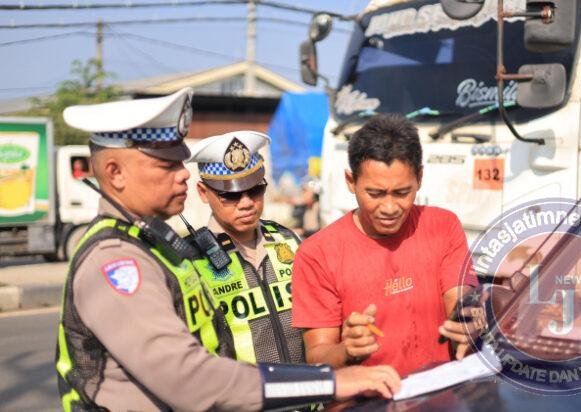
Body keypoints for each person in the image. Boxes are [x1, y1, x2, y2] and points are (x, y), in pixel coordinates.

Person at [56, 88, 400, 411]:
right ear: (115, 173)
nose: (183, 175)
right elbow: (188, 377)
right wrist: (327, 383)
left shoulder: (152, 246)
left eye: (255, 190)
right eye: (167, 164)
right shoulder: (116, 260)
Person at [291, 114, 482, 377]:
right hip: (366, 396)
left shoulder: (443, 226)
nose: (390, 208)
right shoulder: (317, 254)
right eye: (375, 193)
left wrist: (469, 323)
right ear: (351, 181)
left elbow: (460, 307)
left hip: (441, 391)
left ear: (420, 177)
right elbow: (317, 356)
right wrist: (346, 350)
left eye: (402, 193)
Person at [186, 130, 305, 364]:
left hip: (306, 385)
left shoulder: (288, 240)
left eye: (255, 190)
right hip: (240, 387)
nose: (247, 203)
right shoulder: (192, 260)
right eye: (230, 195)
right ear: (203, 192)